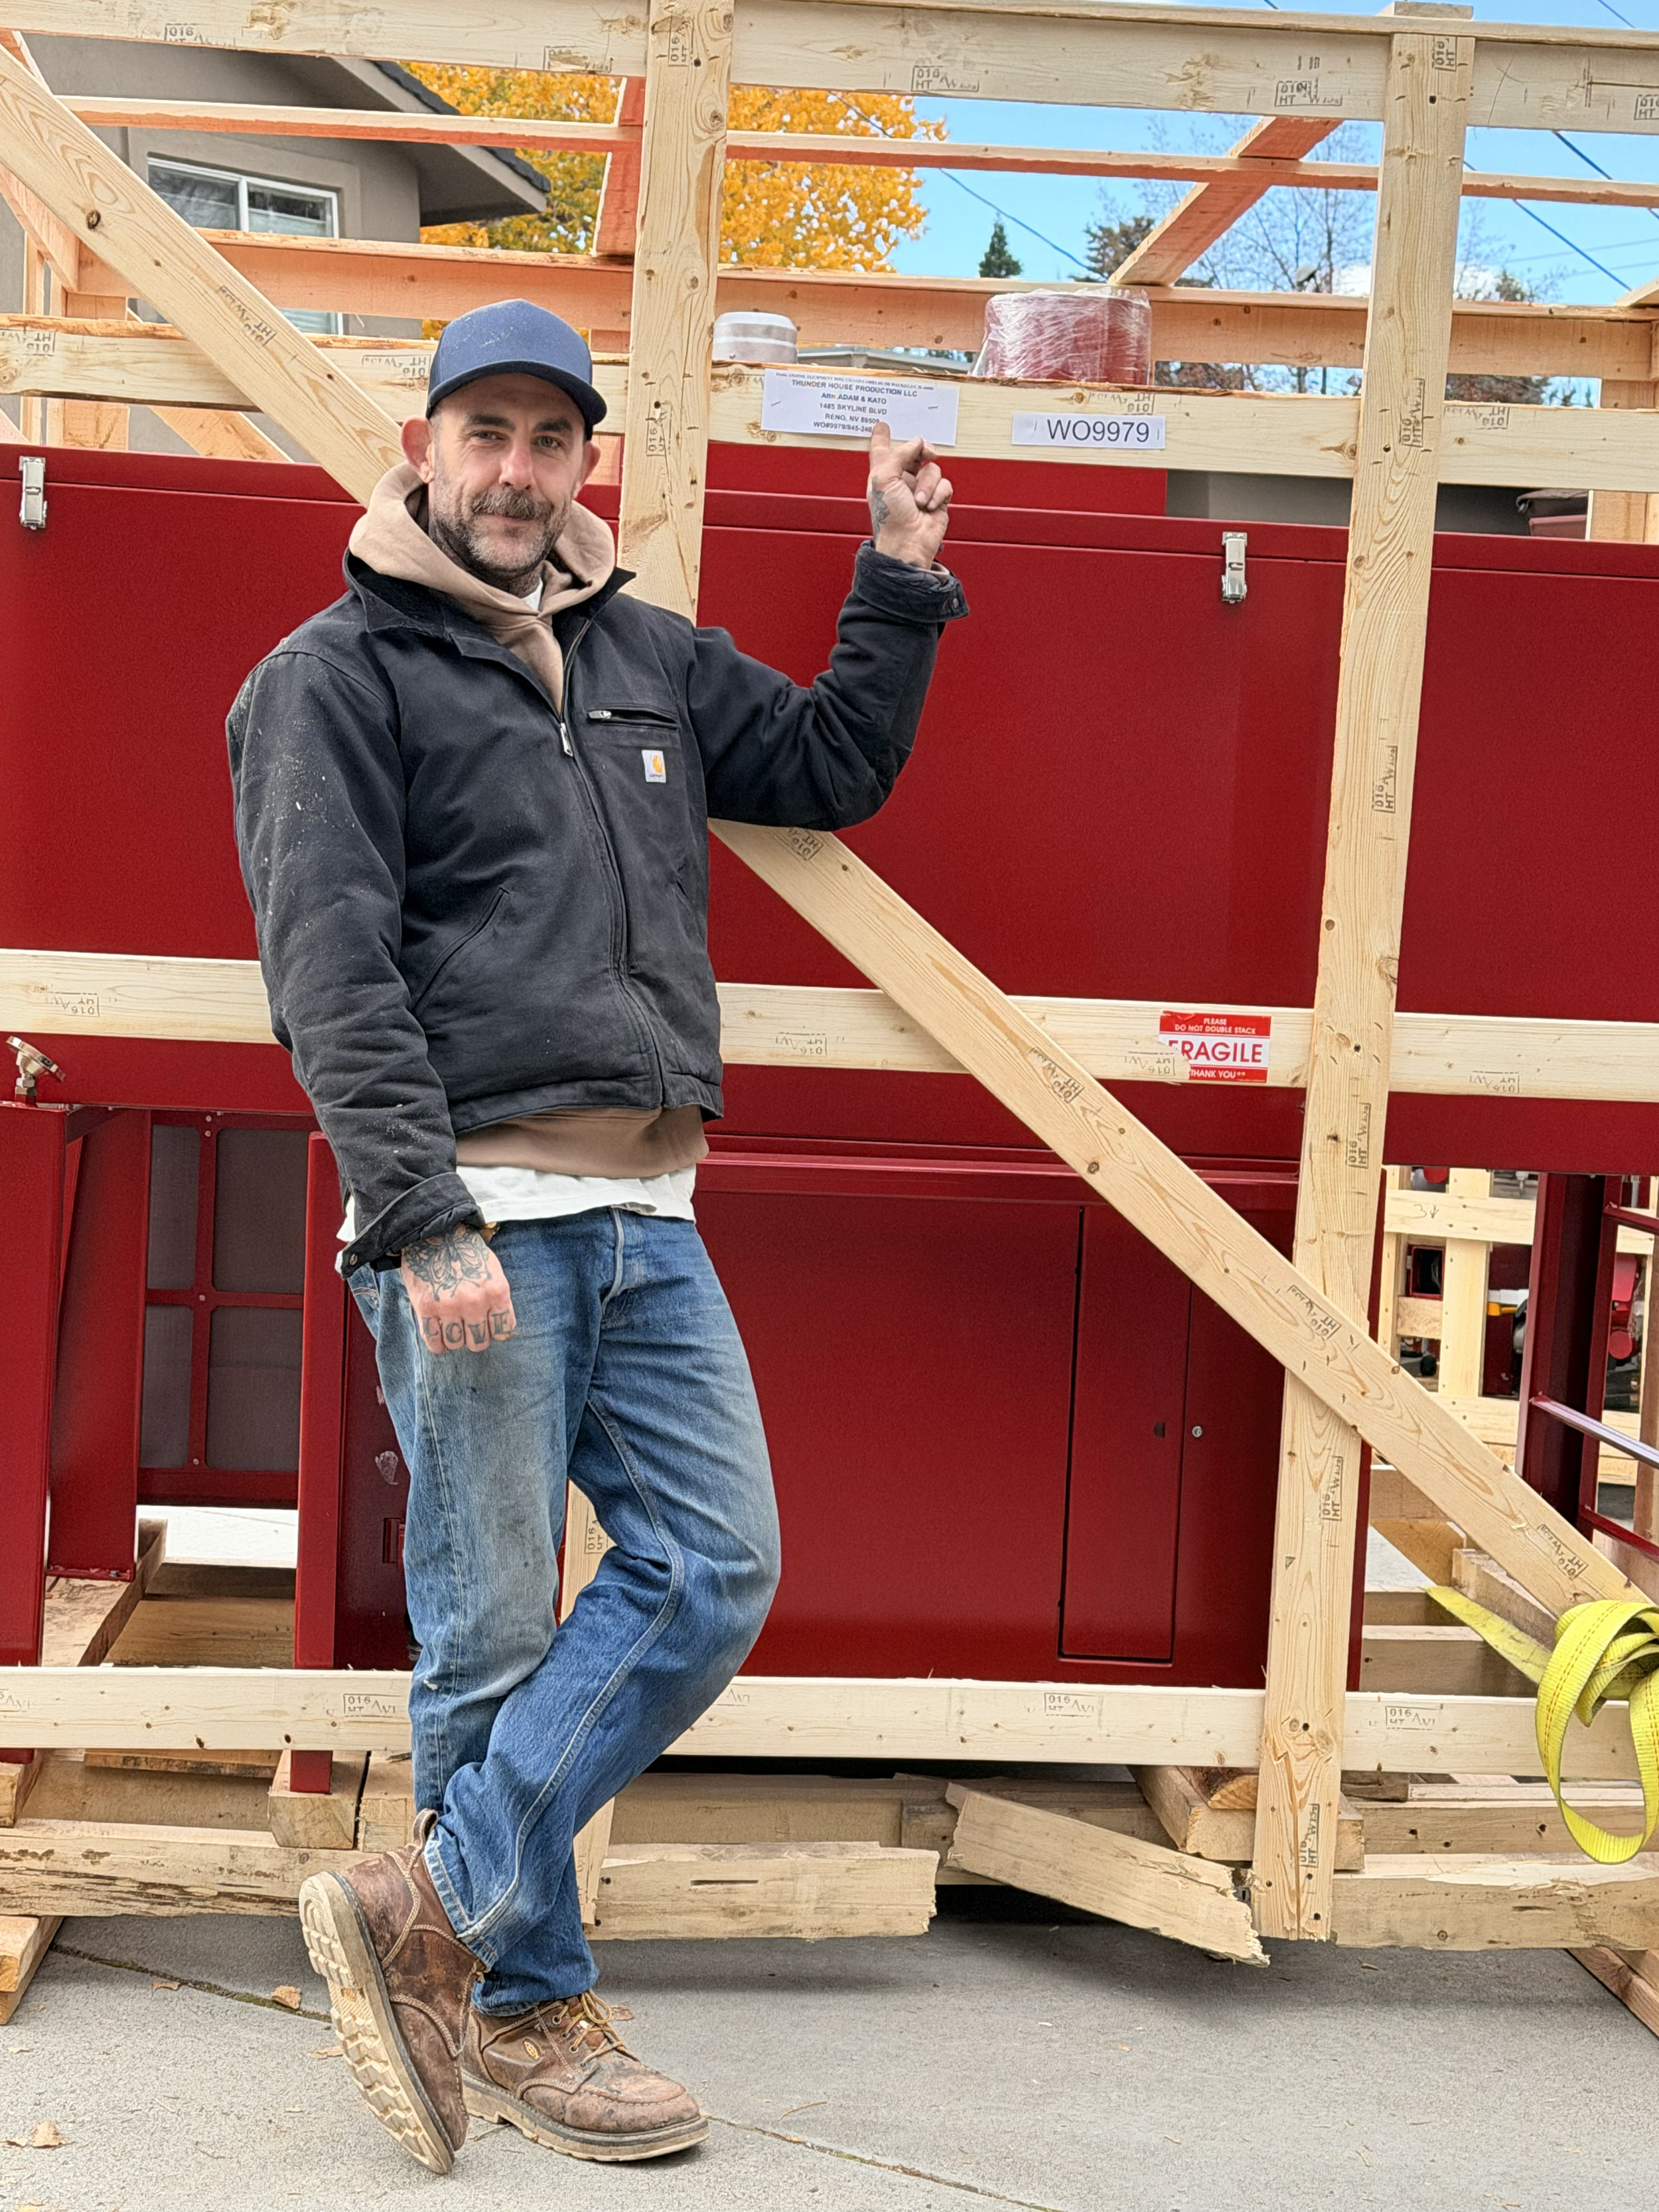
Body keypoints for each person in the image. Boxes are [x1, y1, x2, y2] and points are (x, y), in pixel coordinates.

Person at [227, 297, 964, 2176]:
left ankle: (436, 1907)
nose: (511, 471)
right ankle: (534, 2001)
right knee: (487, 1637)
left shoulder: (640, 653)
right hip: (474, 1214)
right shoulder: (331, 675)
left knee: (714, 1564)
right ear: (423, 444)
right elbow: (329, 972)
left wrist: (896, 576)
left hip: (649, 1210)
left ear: (581, 465)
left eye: (545, 440)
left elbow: (820, 767)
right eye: (481, 432)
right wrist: (419, 1211)